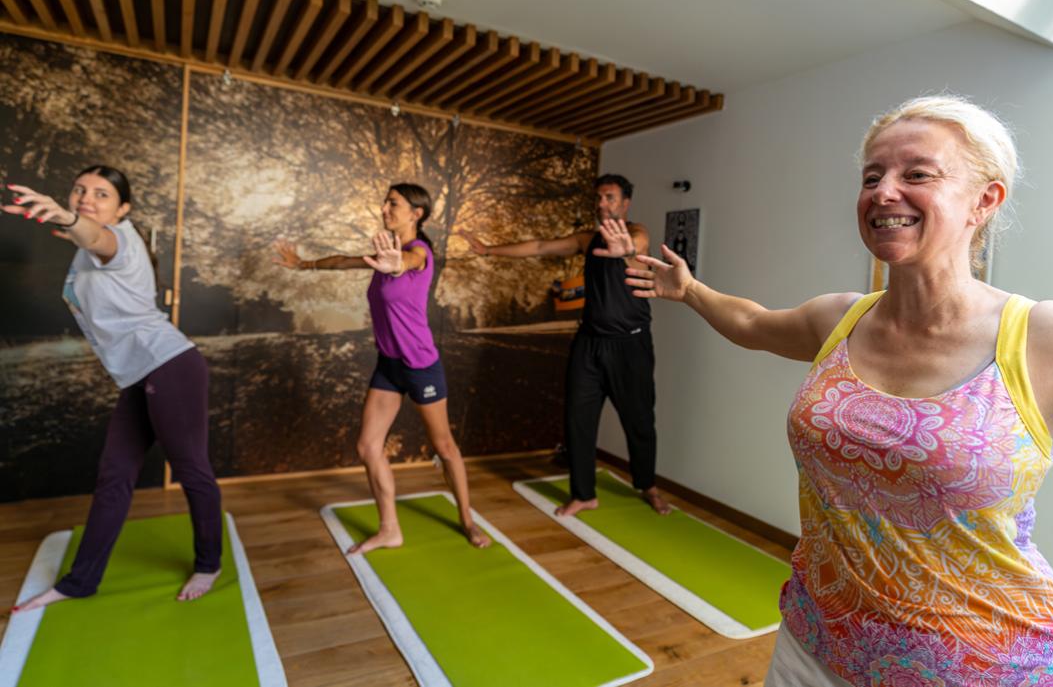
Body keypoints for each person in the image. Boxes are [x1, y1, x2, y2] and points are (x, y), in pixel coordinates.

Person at [623, 96, 1053, 685]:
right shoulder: (839, 318)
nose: (883, 191)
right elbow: (752, 323)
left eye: (917, 173)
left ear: (984, 200)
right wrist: (689, 291)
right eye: (872, 176)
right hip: (817, 641)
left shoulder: (1050, 336)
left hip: (982, 665)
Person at [5, 166, 223, 611]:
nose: (86, 198)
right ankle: (79, 582)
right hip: (141, 374)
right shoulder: (90, 241)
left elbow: (98, 239)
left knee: (191, 469)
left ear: (122, 209)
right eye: (80, 190)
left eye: (101, 194)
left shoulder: (121, 241)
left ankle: (209, 562)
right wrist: (63, 223)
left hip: (170, 367)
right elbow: (85, 237)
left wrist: (67, 219)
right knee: (113, 477)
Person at [273, 183, 490, 553]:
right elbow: (343, 262)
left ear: (415, 214)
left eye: (394, 203)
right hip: (389, 365)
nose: (385, 208)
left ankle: (468, 520)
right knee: (368, 445)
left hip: (421, 366)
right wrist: (303, 264)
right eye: (386, 202)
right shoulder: (383, 252)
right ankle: (390, 528)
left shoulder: (418, 251)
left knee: (445, 447)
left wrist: (397, 264)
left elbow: (411, 261)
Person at [462, 174, 671, 517]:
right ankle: (584, 493)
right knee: (578, 419)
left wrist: (626, 250)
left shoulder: (637, 232)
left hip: (630, 347)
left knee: (639, 422)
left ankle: (648, 485)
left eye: (610, 197)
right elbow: (540, 247)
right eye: (599, 198)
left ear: (624, 203)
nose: (602, 203)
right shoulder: (587, 239)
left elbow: (639, 245)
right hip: (589, 344)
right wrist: (488, 249)